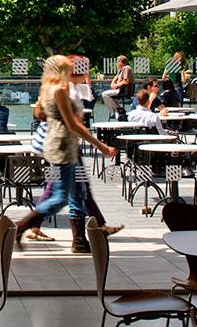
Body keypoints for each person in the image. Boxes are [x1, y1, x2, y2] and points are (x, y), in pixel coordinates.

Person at [14, 55, 119, 253]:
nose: (73, 70)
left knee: (79, 192)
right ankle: (21, 226)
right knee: (61, 197)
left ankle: (79, 242)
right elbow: (72, 125)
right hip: (62, 147)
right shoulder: (60, 90)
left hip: (64, 145)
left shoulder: (49, 88)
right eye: (68, 67)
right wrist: (101, 146)